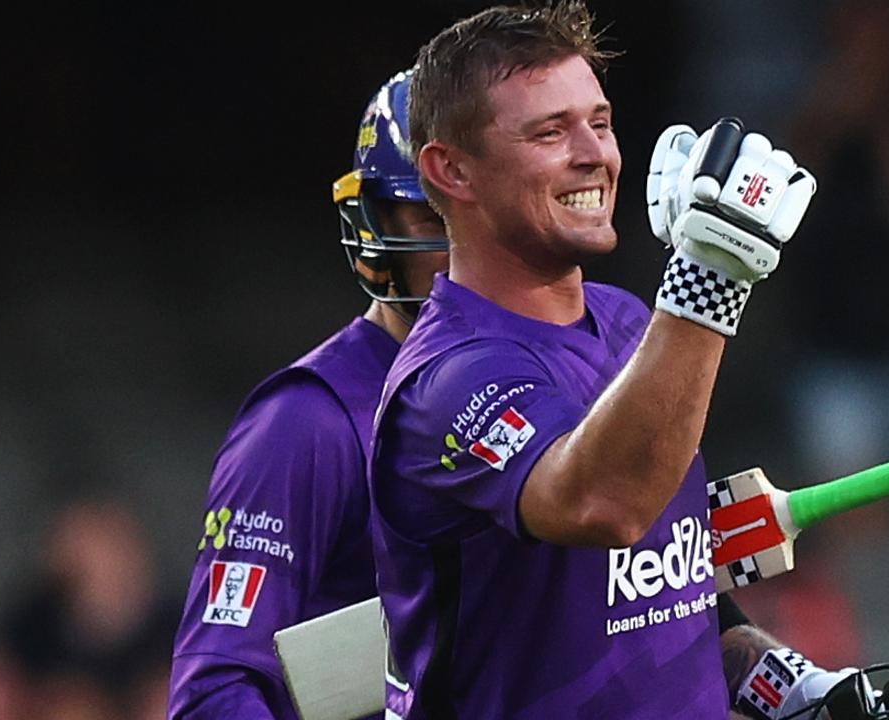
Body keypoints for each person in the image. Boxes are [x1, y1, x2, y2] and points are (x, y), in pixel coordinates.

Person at [368, 3, 848, 717]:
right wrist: (707, 285)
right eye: (551, 132)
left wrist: (792, 686)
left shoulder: (632, 323)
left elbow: (671, 596)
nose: (596, 154)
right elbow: (608, 504)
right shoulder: (445, 382)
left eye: (599, 121)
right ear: (452, 170)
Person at [168, 69, 448, 719]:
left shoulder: (573, 372)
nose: (464, 238)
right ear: (377, 223)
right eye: (432, 213)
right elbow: (214, 693)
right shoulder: (307, 422)